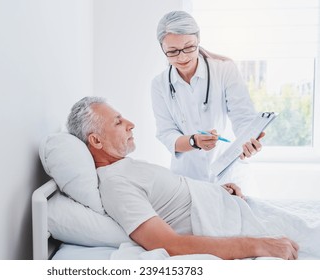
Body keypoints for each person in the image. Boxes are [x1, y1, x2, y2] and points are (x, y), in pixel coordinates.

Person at [66, 96, 299, 260]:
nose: (130, 124)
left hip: (228, 203)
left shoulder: (125, 168)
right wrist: (257, 245)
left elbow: (177, 196)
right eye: (118, 122)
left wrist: (218, 191)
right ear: (96, 141)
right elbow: (170, 245)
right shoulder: (115, 184)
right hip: (233, 220)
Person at [151, 11, 265, 183]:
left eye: (189, 47)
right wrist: (193, 141)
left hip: (228, 175)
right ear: (162, 49)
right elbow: (167, 133)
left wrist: (248, 140)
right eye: (173, 51)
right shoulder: (159, 84)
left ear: (198, 40)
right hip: (185, 178)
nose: (182, 57)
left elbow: (243, 117)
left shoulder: (224, 70)